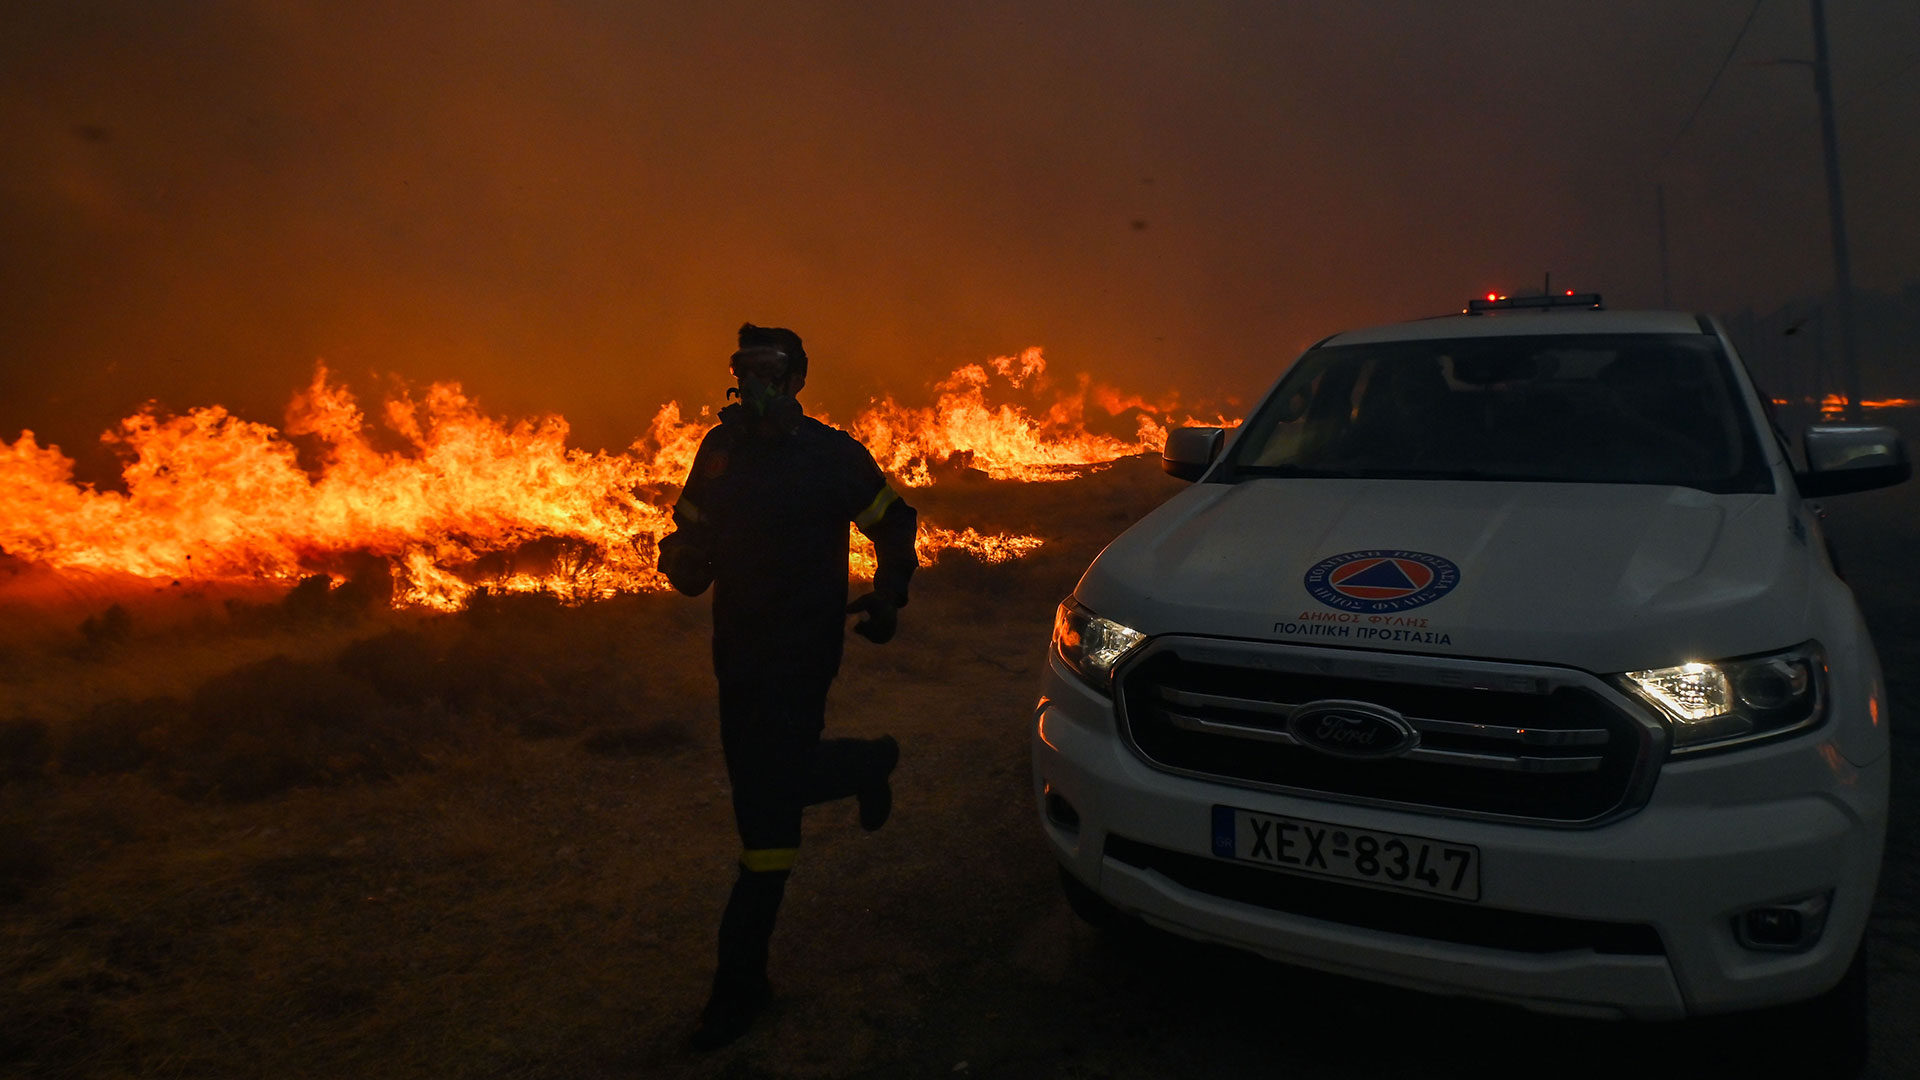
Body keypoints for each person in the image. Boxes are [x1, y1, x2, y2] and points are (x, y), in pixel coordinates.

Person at [657, 322, 918, 1051]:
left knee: (765, 812)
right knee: (766, 783)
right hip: (736, 652)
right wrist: (682, 558)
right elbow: (689, 531)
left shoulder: (831, 457)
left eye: (772, 370)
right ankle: (867, 763)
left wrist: (891, 592)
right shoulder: (720, 452)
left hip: (804, 651)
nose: (757, 384)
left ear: (798, 379)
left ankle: (739, 989)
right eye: (746, 370)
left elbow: (894, 521)